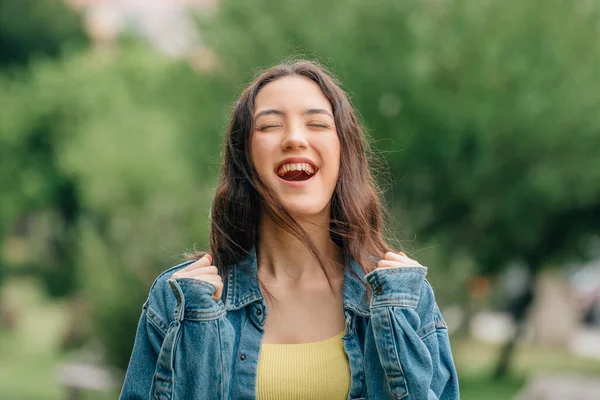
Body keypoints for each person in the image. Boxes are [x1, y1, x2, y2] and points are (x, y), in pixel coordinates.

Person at [119, 59, 459, 400]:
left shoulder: (404, 296)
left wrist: (396, 319)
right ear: (245, 159)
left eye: (317, 124)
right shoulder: (180, 300)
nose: (295, 138)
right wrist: (196, 327)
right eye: (269, 126)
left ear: (344, 152)